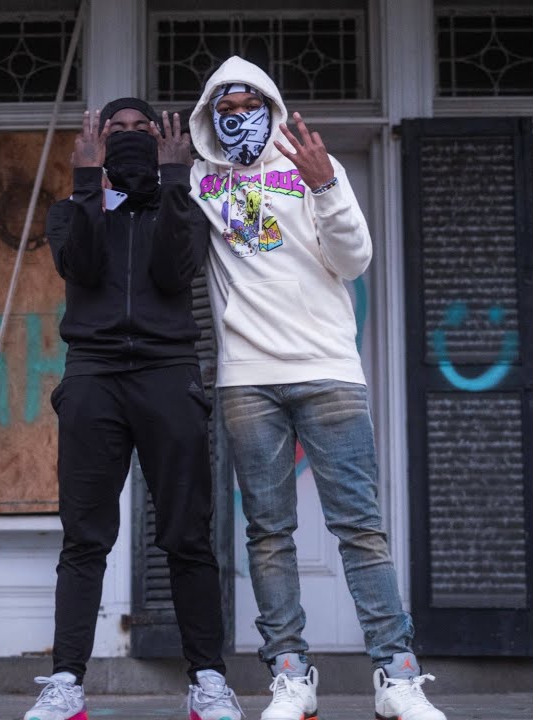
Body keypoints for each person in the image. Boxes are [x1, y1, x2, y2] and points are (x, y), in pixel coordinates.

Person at [186, 57, 448, 720]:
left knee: (359, 527)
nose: (238, 116)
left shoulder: (311, 169)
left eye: (250, 104)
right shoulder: (199, 179)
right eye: (225, 107)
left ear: (271, 106)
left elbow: (353, 260)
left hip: (328, 369)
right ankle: (291, 675)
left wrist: (326, 184)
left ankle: (397, 676)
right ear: (208, 116)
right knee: (268, 533)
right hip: (248, 379)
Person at [23, 98, 242, 720]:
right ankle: (66, 684)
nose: (126, 136)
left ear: (161, 137)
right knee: (84, 536)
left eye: (139, 129)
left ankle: (208, 682)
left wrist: (175, 180)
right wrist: (87, 184)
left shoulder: (184, 205)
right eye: (113, 129)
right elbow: (82, 267)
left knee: (187, 535)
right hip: (93, 376)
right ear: (94, 140)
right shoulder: (70, 209)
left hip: (168, 373)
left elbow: (175, 274)